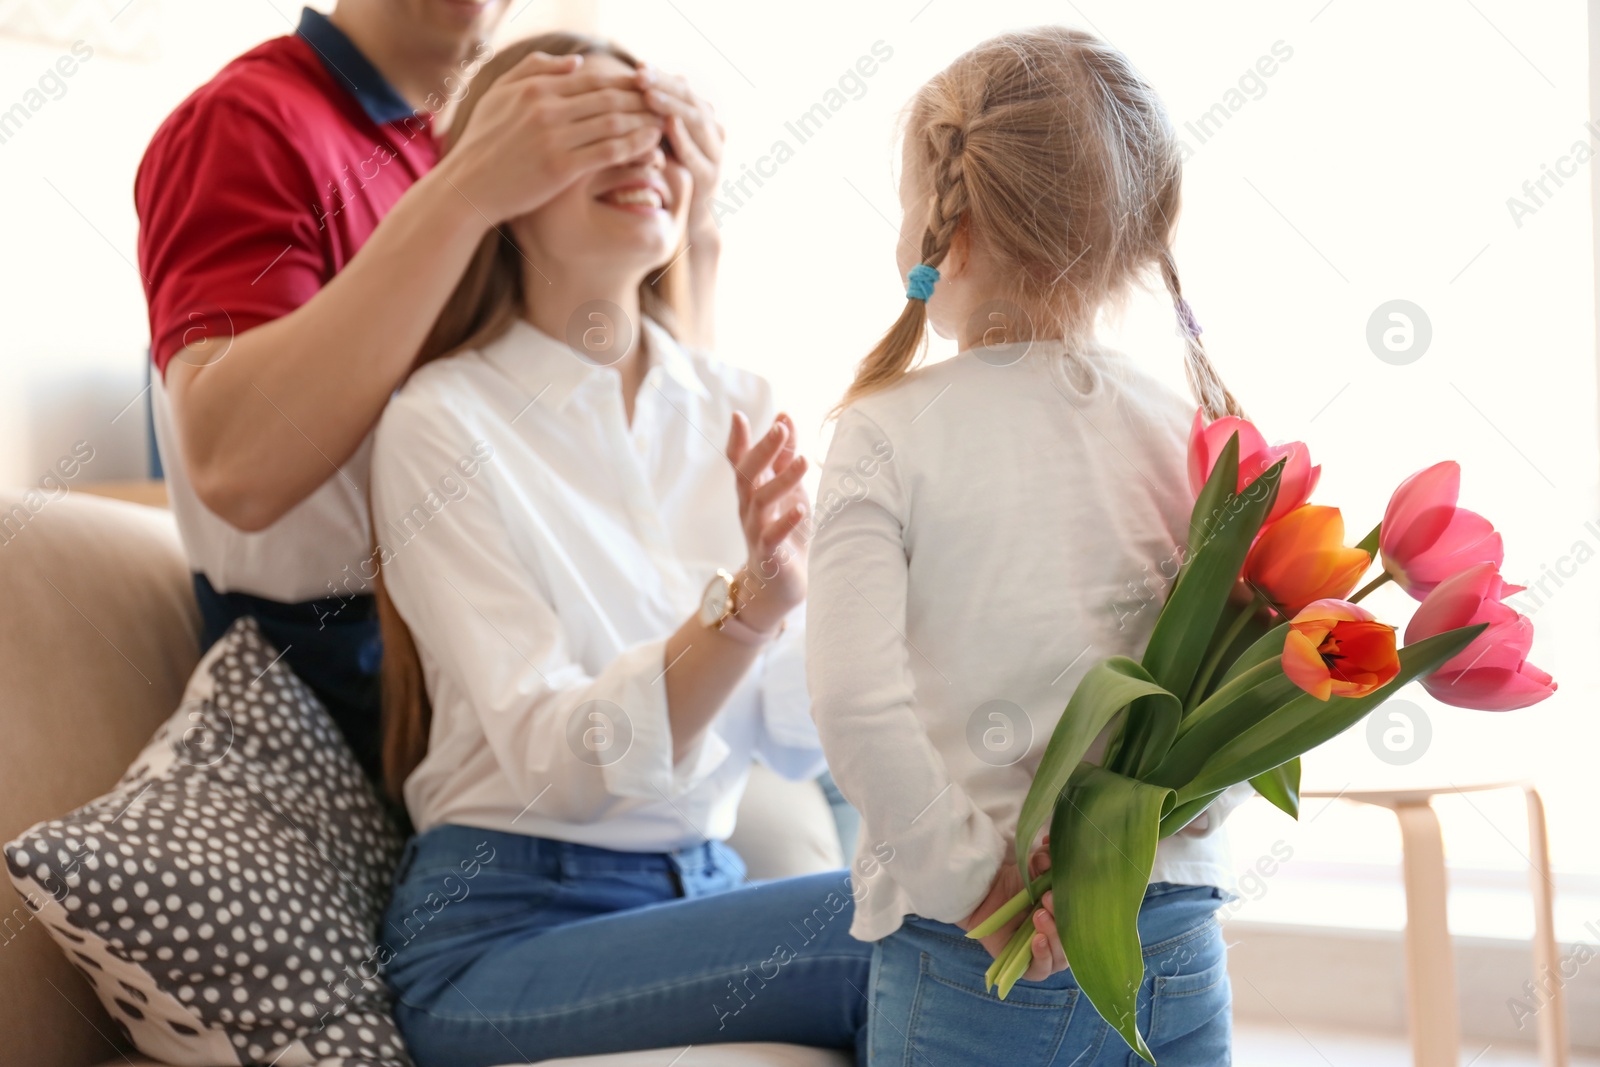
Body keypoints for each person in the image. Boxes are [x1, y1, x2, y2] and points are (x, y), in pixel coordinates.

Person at [368, 34, 992, 1066]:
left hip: (698, 885)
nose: (645, 154)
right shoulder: (439, 422)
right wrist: (742, 615)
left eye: (659, 130)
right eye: (594, 132)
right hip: (499, 933)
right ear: (500, 179)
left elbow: (794, 726)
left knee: (992, 899)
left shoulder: (730, 402)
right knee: (899, 924)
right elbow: (556, 764)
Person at [806, 28, 1252, 1065]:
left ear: (940, 224)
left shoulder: (883, 430)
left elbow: (853, 703)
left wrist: (980, 881)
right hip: (1172, 930)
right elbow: (1238, 685)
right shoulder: (1195, 435)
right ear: (1146, 229)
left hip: (975, 948)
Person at [134, 0, 723, 785]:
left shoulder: (456, 149)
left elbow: (634, 437)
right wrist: (471, 185)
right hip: (378, 704)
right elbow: (234, 467)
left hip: (550, 653)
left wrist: (694, 226)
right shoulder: (250, 124)